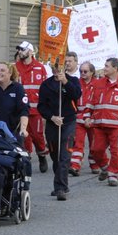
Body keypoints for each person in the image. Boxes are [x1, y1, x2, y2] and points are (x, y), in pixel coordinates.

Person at [36, 54, 81, 200]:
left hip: (68, 122)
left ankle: (60, 188)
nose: (57, 68)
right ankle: (62, 182)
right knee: (55, 156)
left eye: (62, 64)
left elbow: (76, 95)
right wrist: (52, 117)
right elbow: (41, 106)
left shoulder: (73, 80)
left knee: (64, 155)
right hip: (53, 123)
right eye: (54, 66)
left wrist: (65, 82)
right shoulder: (46, 84)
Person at [88, 58, 118, 186]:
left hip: (116, 126)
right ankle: (105, 166)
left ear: (116, 69)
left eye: (107, 66)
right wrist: (87, 116)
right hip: (99, 125)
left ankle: (113, 174)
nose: (104, 68)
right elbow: (91, 102)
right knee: (96, 150)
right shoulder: (98, 84)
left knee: (116, 151)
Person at [12, 41, 52, 172]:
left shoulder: (40, 68)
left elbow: (45, 89)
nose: (20, 52)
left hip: (36, 110)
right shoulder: (15, 67)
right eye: (19, 50)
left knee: (38, 136)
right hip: (21, 110)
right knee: (24, 136)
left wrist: (46, 108)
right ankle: (26, 159)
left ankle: (41, 155)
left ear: (30, 51)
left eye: (22, 50)